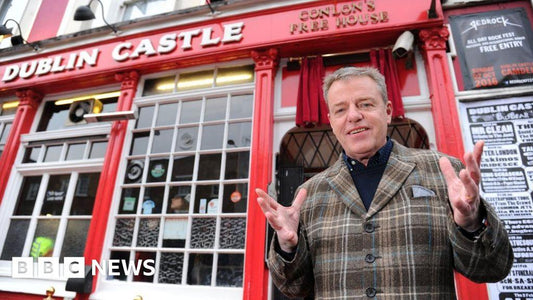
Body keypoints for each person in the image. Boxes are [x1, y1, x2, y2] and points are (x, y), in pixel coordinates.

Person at [256, 67, 513, 299]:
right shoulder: (310, 193)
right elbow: (293, 288)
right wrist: (288, 247)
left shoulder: (443, 171)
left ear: (388, 111)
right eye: (341, 109)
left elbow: (492, 268)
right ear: (332, 121)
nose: (353, 116)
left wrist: (470, 224)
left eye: (365, 104)